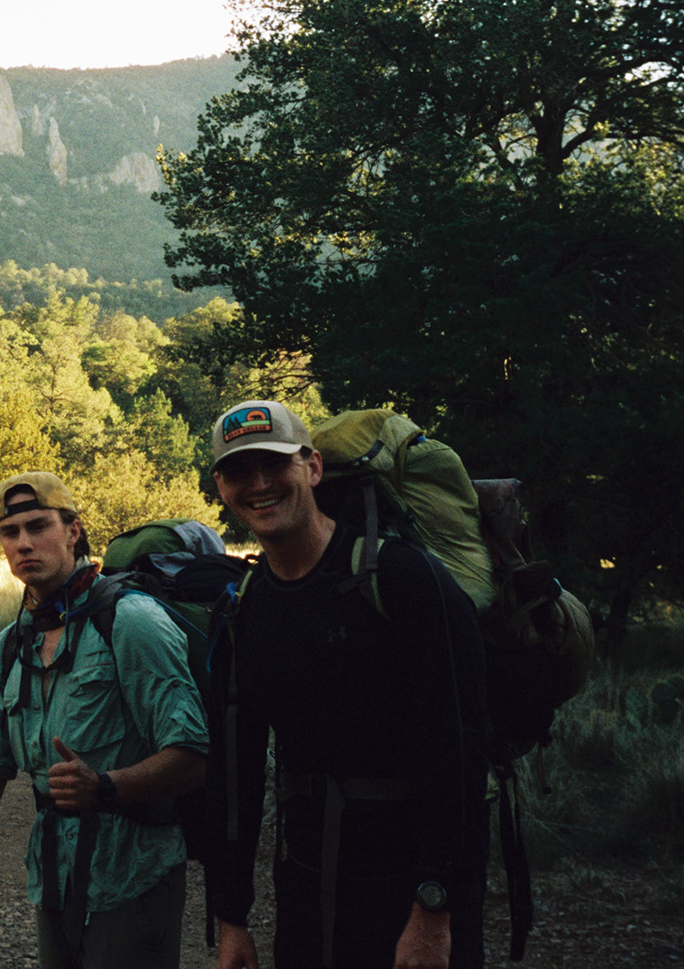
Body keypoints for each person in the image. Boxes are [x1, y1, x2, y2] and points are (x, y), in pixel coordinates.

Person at [203, 400, 489, 969]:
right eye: (238, 471)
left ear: (312, 467)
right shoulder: (242, 608)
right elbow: (234, 769)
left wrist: (434, 906)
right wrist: (231, 916)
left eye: (275, 465)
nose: (258, 485)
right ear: (221, 486)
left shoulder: (402, 578)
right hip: (306, 883)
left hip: (408, 888)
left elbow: (458, 745)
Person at [0, 471, 208, 969]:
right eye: (9, 533)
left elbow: (191, 759)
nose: (23, 544)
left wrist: (104, 786)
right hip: (53, 876)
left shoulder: (131, 621)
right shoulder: (10, 645)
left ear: (73, 531)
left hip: (133, 873)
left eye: (38, 526)